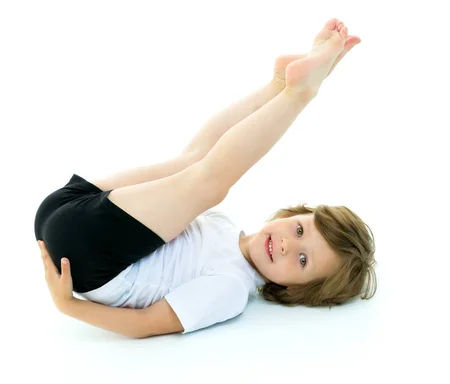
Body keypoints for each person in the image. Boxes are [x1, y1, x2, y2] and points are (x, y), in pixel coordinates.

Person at [35, 18, 377, 338]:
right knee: (195, 161)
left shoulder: (231, 289)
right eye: (300, 229)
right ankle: (278, 86)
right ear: (293, 214)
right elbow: (202, 164)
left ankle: (296, 93)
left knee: (207, 182)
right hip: (68, 206)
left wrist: (69, 307)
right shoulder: (223, 226)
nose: (289, 245)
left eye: (302, 260)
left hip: (91, 259)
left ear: (296, 290)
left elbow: (145, 324)